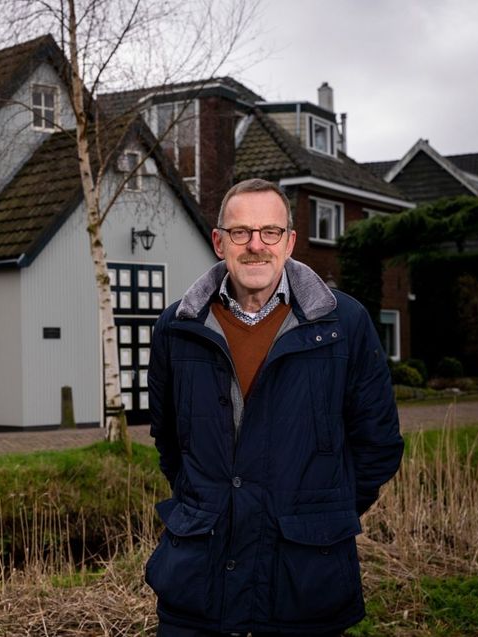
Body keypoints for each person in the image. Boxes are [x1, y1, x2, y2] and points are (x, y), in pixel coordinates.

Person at [146, 178, 404, 636]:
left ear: (290, 242)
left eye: (270, 232)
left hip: (304, 585)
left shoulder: (344, 324)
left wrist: (320, 510)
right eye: (241, 232)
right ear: (219, 241)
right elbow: (169, 438)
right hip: (197, 587)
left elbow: (379, 445)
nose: (255, 246)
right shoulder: (177, 326)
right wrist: (208, 501)